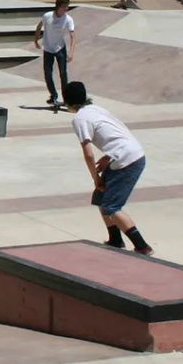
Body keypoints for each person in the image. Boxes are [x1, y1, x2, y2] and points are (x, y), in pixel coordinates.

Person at [64, 82, 154, 255]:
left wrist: (96, 178)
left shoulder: (79, 119)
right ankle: (115, 239)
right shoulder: (96, 109)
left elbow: (89, 154)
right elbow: (116, 132)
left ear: (67, 101)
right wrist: (109, 154)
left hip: (127, 160)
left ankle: (143, 247)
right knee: (101, 197)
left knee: (111, 207)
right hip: (128, 152)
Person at [31, 0, 76, 106]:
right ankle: (53, 95)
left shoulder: (68, 19)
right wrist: (36, 40)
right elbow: (39, 26)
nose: (67, 9)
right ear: (58, 6)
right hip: (48, 49)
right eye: (65, 6)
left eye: (67, 6)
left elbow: (73, 37)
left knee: (63, 73)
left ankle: (66, 99)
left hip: (60, 49)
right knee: (48, 74)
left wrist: (71, 52)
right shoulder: (47, 16)